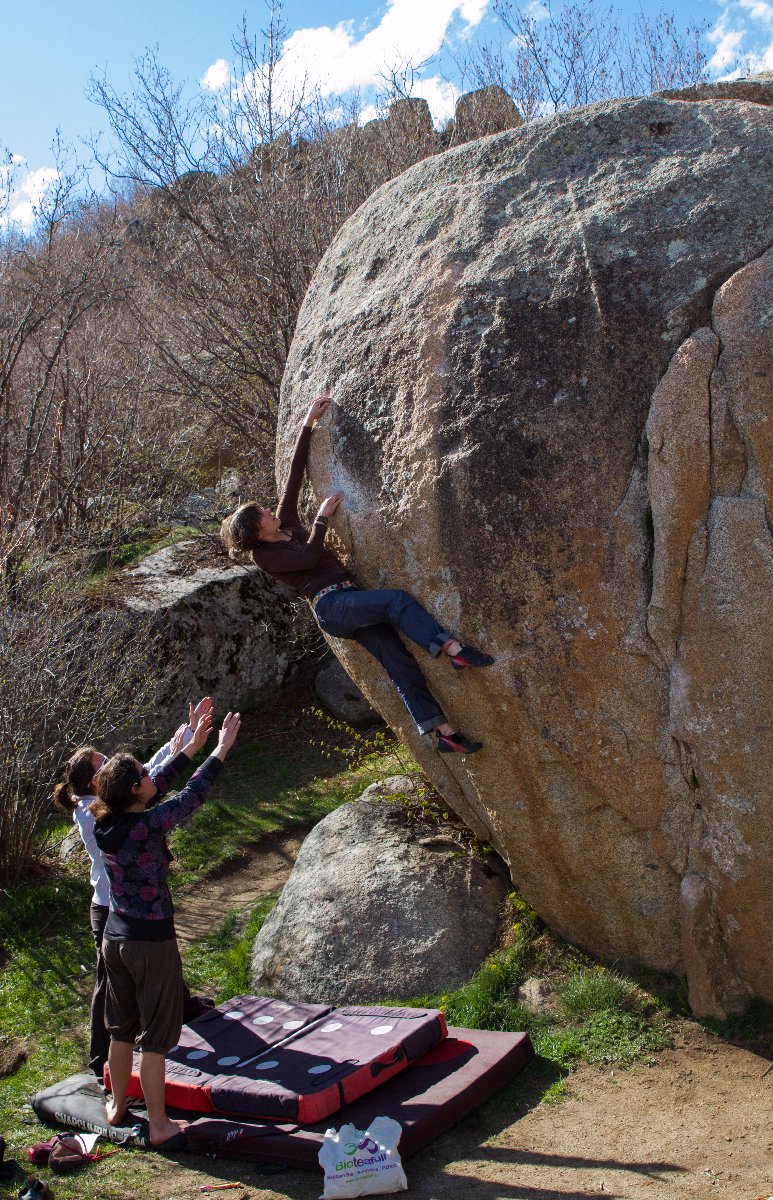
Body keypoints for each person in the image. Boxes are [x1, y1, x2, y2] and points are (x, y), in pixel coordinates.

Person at [221, 394, 493, 753]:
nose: (271, 512)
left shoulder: (285, 521)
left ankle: (445, 735)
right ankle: (453, 649)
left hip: (348, 600)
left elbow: (294, 474)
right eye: (264, 516)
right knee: (396, 601)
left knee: (400, 665)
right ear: (258, 533)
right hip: (332, 607)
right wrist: (321, 519)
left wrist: (308, 421)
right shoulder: (265, 557)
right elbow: (308, 557)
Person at [91, 709, 241, 1148]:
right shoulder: (146, 826)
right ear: (134, 791)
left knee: (120, 1029)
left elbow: (158, 785)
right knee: (155, 1039)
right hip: (149, 943)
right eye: (143, 774)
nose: (149, 774)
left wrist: (189, 747)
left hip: (114, 937)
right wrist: (219, 751)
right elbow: (190, 796)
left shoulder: (106, 822)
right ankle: (159, 1125)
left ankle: (117, 1105)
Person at [53, 698, 216, 1081]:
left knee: (161, 958)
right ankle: (101, 1060)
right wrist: (203, 750)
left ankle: (183, 1007)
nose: (111, 763)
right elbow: (150, 784)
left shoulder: (108, 803)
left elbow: (146, 775)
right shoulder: (96, 815)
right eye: (103, 764)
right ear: (95, 783)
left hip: (129, 904)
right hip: (110, 908)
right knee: (110, 987)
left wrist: (182, 742)